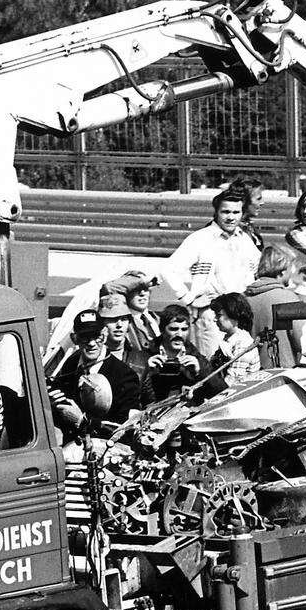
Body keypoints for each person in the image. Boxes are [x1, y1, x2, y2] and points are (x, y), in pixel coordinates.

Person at [162, 188, 259, 356]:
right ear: (216, 212)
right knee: (212, 369)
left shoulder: (245, 239)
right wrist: (190, 299)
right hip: (211, 317)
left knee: (240, 369)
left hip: (240, 317)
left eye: (236, 212)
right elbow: (169, 270)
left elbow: (257, 271)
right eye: (225, 212)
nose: (231, 217)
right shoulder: (200, 239)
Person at [49, 307, 140, 442]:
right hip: (71, 450)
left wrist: (82, 421)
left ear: (104, 335)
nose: (91, 343)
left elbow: (126, 430)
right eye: (85, 337)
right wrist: (52, 403)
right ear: (74, 339)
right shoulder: (72, 363)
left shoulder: (124, 376)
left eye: (96, 336)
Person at [141, 304, 225, 405]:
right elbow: (131, 396)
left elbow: (222, 393)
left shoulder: (195, 357)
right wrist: (145, 372)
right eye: (173, 329)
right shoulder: (147, 355)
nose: (179, 335)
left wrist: (199, 372)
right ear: (162, 330)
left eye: (184, 329)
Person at [245, 245, 306, 369]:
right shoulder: (287, 298)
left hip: (248, 372)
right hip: (281, 372)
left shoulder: (243, 298)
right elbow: (302, 342)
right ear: (283, 271)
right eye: (291, 268)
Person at [209, 293, 261, 385]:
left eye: (219, 315)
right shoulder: (230, 339)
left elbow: (231, 383)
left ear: (233, 314)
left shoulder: (243, 343)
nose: (215, 319)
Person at [228, 176, 266, 251]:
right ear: (244, 201)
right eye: (258, 199)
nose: (262, 202)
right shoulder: (231, 229)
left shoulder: (248, 226)